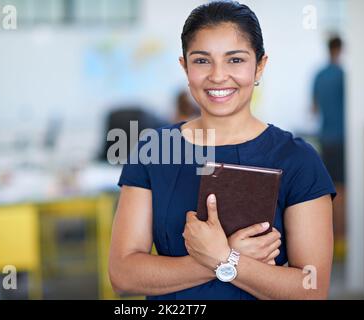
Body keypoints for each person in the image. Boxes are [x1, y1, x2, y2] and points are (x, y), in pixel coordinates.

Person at [109, 1, 335, 300]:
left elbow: (312, 290)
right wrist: (221, 259)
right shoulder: (154, 150)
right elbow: (123, 276)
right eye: (202, 61)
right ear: (185, 67)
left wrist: (225, 258)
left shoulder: (298, 159)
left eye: (235, 60)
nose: (217, 76)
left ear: (260, 66)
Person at [312, 36, 346, 259]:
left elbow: (313, 108)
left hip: (325, 138)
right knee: (342, 191)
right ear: (340, 49)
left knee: (330, 190)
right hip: (342, 139)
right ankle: (341, 243)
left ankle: (330, 241)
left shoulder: (319, 75)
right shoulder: (343, 76)